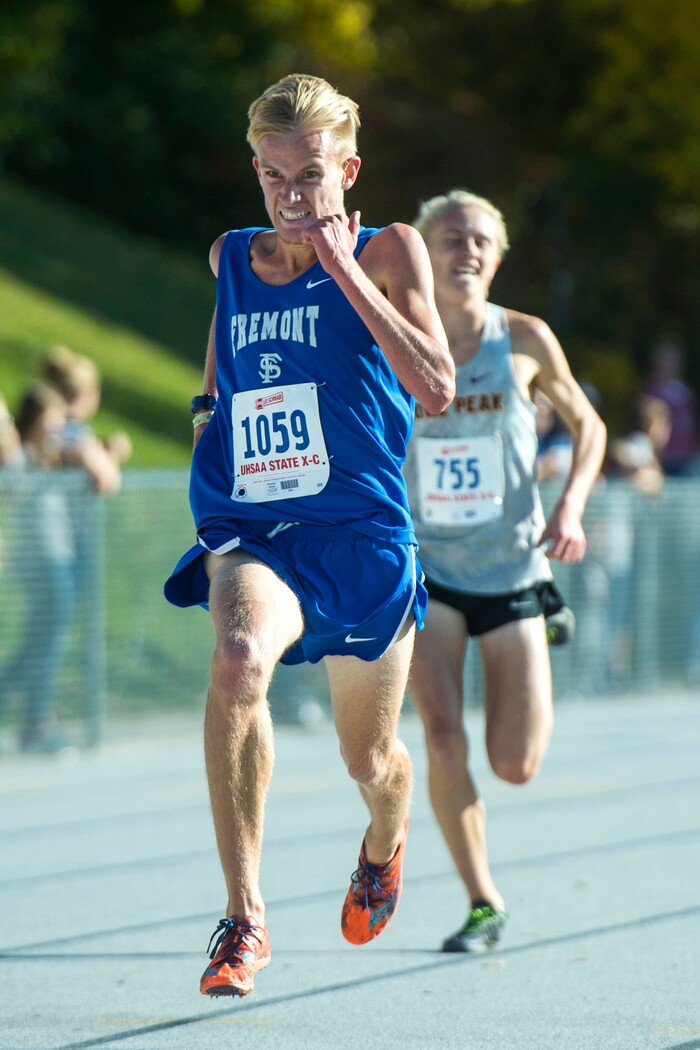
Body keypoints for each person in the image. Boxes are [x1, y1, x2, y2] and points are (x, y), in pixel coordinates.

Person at [163, 73, 455, 997]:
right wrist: (210, 407)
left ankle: (385, 838)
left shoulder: (393, 248)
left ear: (349, 168)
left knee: (369, 758)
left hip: (365, 538)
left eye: (310, 173)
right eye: (273, 176)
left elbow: (436, 386)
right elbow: (228, 342)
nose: (292, 196)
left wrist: (345, 270)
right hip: (260, 525)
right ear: (256, 172)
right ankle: (243, 920)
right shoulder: (232, 257)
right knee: (239, 658)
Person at [403, 189, 606, 952]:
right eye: (452, 238)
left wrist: (571, 507)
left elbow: (589, 426)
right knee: (443, 737)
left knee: (515, 764)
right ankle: (483, 901)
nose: (469, 251)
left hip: (515, 567)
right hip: (430, 570)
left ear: (498, 256)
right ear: (423, 252)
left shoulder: (522, 338)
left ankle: (544, 616)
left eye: (483, 240)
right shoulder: (393, 340)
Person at [0, 383, 76, 752]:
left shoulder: (51, 457)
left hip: (57, 561)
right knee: (43, 646)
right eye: (53, 418)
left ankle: (35, 719)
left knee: (42, 644)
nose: (60, 427)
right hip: (42, 564)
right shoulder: (21, 457)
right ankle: (39, 722)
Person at [643, 335, 697, 476]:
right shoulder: (652, 390)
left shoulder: (686, 392)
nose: (668, 362)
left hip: (685, 456)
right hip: (661, 457)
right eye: (664, 358)